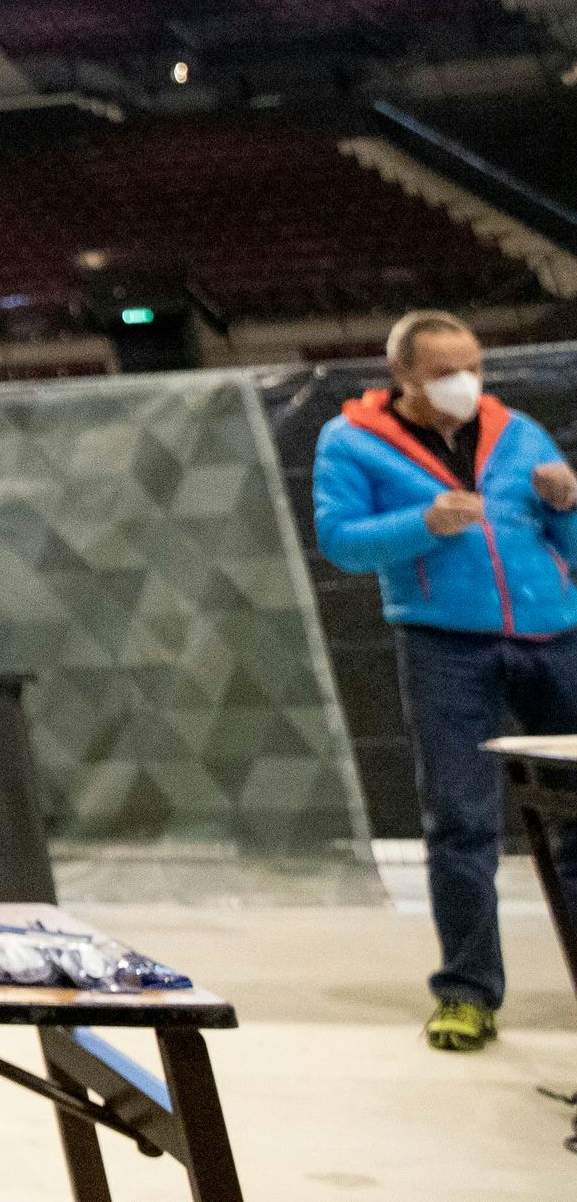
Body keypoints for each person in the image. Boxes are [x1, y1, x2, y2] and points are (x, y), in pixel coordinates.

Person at [310, 308, 577, 1053]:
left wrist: (569, 505)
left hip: (555, 636)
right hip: (444, 644)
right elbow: (341, 542)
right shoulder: (350, 441)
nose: (468, 383)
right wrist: (423, 522)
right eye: (446, 373)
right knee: (461, 823)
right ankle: (467, 994)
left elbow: (571, 543)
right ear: (403, 376)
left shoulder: (518, 430)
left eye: (476, 366)